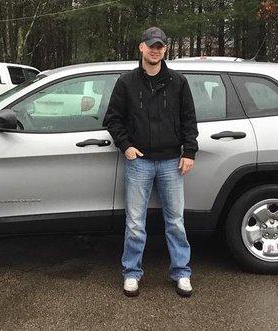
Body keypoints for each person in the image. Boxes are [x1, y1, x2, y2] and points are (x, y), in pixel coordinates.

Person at [103, 27, 199, 297]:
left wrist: (189, 151)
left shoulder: (178, 82)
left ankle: (181, 272)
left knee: (176, 222)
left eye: (160, 45)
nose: (155, 49)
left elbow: (189, 120)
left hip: (172, 162)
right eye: (151, 45)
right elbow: (113, 119)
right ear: (141, 47)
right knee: (135, 222)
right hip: (139, 162)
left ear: (165, 49)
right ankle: (131, 273)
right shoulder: (127, 82)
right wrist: (126, 146)